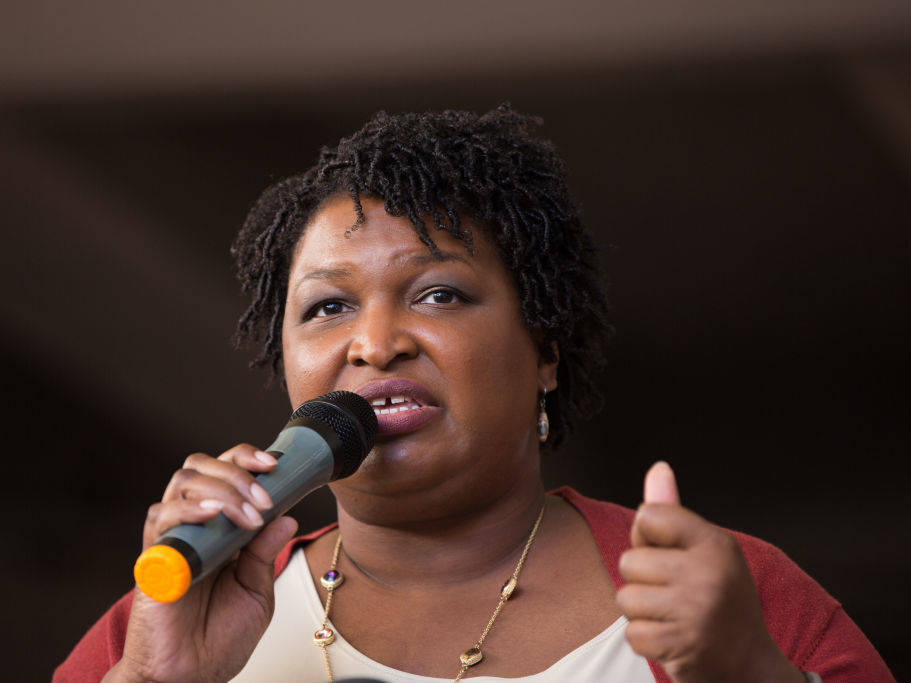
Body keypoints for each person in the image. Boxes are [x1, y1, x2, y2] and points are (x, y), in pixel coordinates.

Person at [55, 105, 893, 682]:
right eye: (328, 306)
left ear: (545, 354)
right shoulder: (171, 608)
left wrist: (746, 671)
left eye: (438, 294)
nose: (375, 341)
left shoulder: (727, 593)